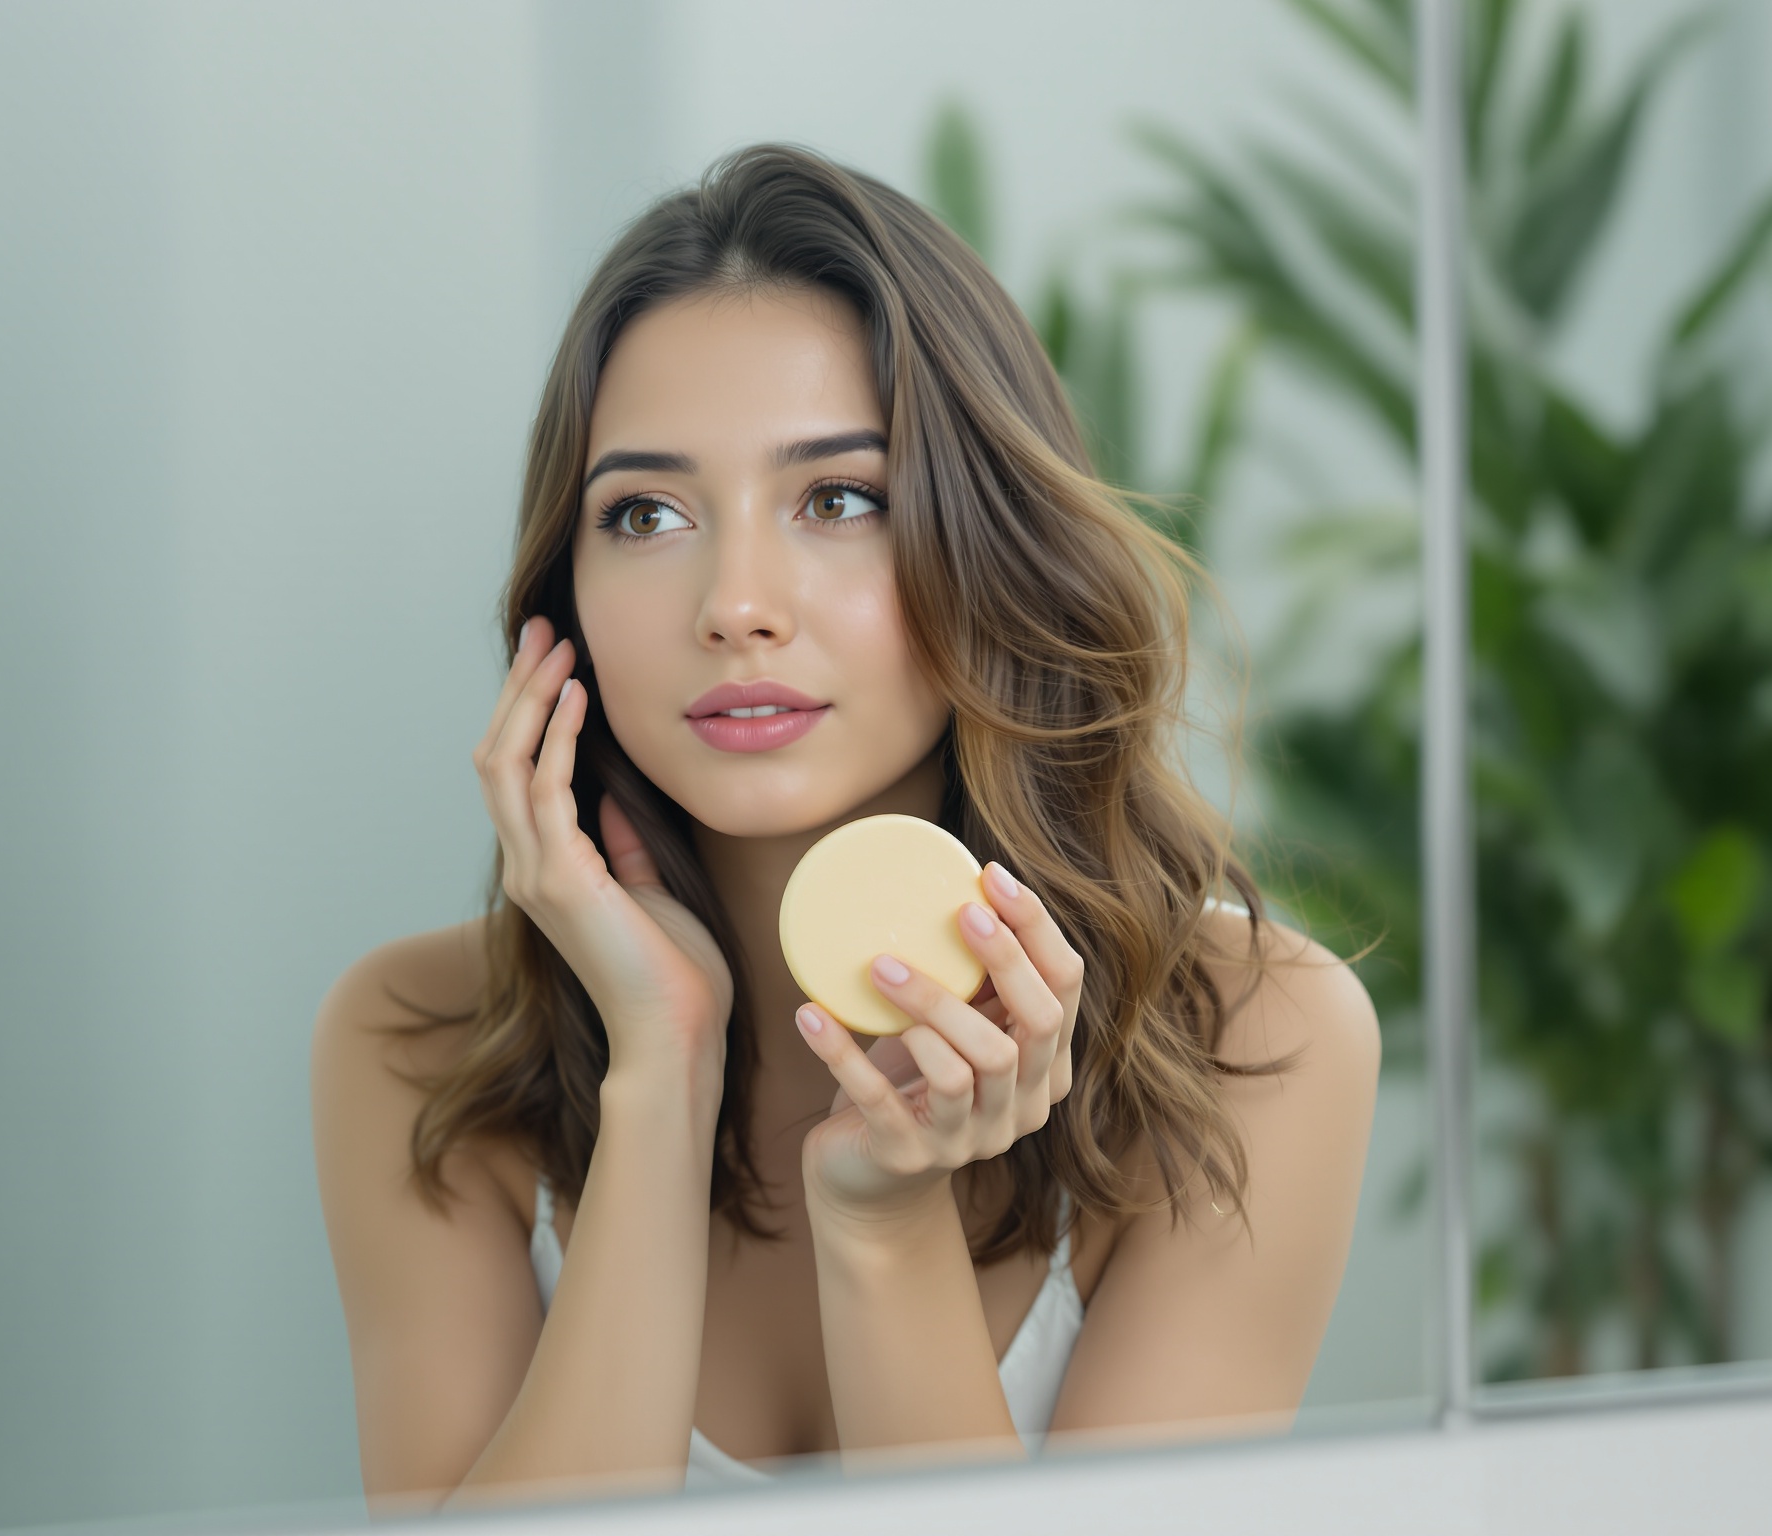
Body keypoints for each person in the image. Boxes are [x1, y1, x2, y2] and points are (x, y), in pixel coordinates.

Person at [312, 144, 1378, 1508]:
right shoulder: (418, 1044)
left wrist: (882, 1223)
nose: (736, 601)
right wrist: (659, 1078)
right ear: (558, 605)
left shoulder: (1251, 1039)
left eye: (838, 499)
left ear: (987, 542)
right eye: (644, 513)